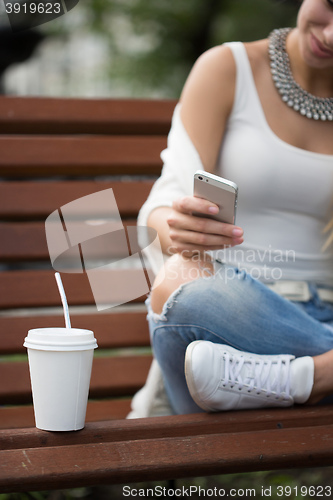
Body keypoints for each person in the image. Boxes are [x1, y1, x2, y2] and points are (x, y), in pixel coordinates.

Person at [135, 0, 333, 416]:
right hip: (234, 316)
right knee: (179, 281)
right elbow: (164, 203)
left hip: (325, 324)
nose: (331, 34)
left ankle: (301, 379)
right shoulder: (228, 69)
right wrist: (177, 228)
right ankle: (311, 376)